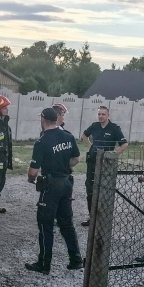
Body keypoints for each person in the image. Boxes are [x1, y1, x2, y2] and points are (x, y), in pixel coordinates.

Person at [25, 107, 84, 274]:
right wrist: (64, 166)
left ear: (43, 120)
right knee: (66, 223)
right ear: (56, 119)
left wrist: (30, 179)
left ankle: (44, 263)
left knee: (45, 224)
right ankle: (76, 259)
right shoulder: (68, 136)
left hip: (51, 184)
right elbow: (76, 159)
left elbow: (33, 171)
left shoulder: (42, 141)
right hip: (66, 182)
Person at [79, 106, 129, 226]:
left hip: (106, 164)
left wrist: (113, 154)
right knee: (90, 190)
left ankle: (103, 219)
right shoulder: (94, 126)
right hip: (92, 162)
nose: (101, 116)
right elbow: (83, 136)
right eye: (99, 114)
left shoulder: (114, 128)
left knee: (104, 190)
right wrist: (91, 147)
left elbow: (124, 144)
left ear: (108, 115)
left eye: (103, 114)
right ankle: (92, 218)